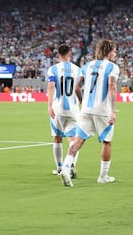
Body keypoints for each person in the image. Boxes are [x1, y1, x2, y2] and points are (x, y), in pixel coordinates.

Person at [59, 39, 120, 186]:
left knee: (78, 140)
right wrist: (112, 111)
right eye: (114, 51)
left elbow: (77, 87)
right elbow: (112, 87)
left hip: (86, 109)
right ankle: (103, 176)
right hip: (103, 110)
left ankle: (66, 168)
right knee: (107, 141)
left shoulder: (87, 66)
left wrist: (81, 101)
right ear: (109, 51)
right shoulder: (112, 67)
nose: (115, 54)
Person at [46, 43, 81, 178]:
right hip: (73, 109)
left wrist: (49, 105)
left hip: (57, 108)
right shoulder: (77, 69)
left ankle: (60, 167)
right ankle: (71, 163)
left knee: (57, 137)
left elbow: (51, 85)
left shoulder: (53, 69)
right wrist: (81, 102)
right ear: (70, 54)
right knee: (73, 139)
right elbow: (78, 88)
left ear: (58, 55)